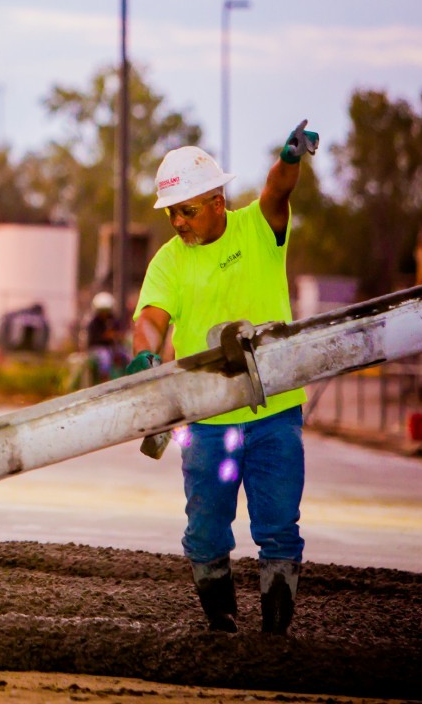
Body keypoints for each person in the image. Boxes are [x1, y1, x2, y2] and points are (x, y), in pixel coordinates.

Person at [126, 120, 318, 636]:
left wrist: (290, 159)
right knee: (206, 531)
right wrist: (144, 354)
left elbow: (277, 188)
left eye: (186, 210)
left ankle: (275, 633)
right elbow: (150, 318)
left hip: (274, 409)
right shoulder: (169, 262)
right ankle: (222, 626)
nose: (177, 222)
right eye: (171, 212)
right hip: (206, 419)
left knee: (278, 527)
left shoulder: (259, 228)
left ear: (216, 200)